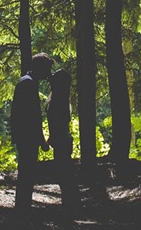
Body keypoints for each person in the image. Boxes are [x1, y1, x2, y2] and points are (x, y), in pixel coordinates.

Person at [10, 52, 54, 217]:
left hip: (24, 136)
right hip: (27, 137)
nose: (48, 73)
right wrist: (41, 140)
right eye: (47, 69)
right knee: (27, 173)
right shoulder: (28, 84)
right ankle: (22, 211)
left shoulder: (26, 82)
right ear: (40, 68)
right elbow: (32, 116)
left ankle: (23, 208)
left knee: (26, 172)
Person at [46, 68, 80, 214]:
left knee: (64, 173)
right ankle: (71, 204)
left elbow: (57, 122)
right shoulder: (61, 99)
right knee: (65, 172)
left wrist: (52, 137)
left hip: (61, 140)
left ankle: (70, 206)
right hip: (62, 140)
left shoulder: (57, 100)